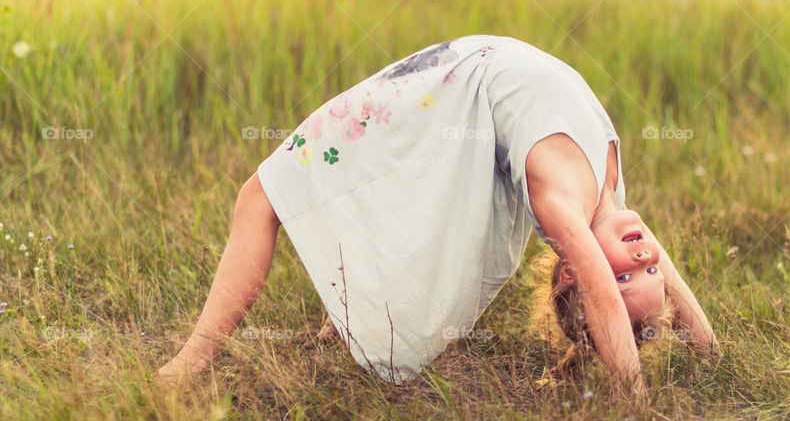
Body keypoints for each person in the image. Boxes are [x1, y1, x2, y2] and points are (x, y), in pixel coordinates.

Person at [156, 35, 719, 395]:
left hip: (454, 93)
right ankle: (321, 331)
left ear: (577, 271)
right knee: (284, 193)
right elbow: (662, 275)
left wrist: (634, 405)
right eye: (647, 272)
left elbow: (606, 300)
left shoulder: (564, 208)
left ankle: (190, 364)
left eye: (627, 275)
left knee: (261, 195)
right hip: (458, 74)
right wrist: (712, 351)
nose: (646, 257)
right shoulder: (611, 201)